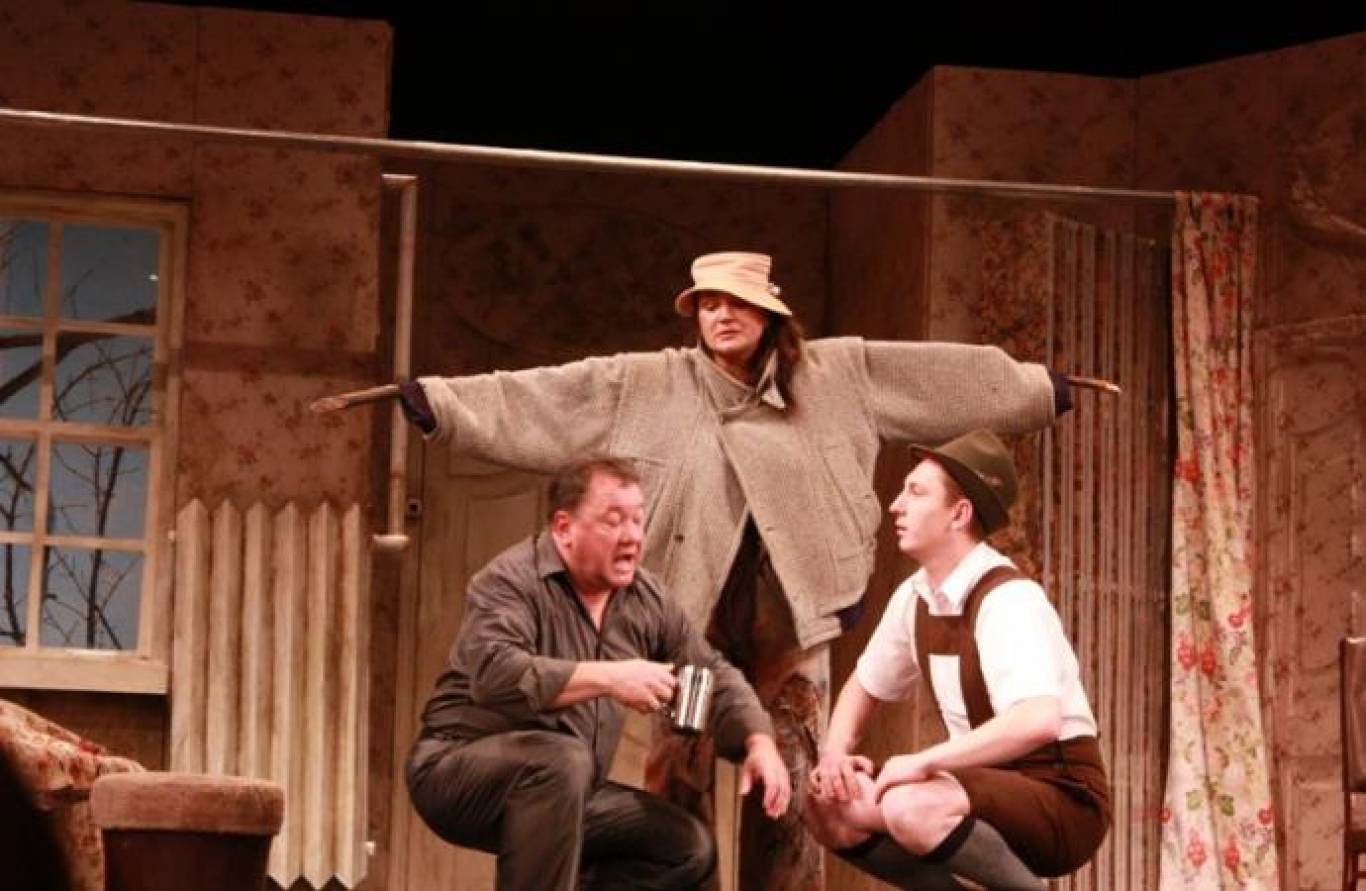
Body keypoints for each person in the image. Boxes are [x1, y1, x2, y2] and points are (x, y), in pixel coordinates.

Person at [399, 250, 1075, 888]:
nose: (722, 315)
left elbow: (932, 378)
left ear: (769, 312)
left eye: (738, 302)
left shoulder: (835, 376)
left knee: (789, 774)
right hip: (694, 611)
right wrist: (447, 406)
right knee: (681, 761)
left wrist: (1035, 390)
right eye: (708, 304)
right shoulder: (651, 382)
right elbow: (552, 396)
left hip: (794, 614)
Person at [404, 457, 790, 891]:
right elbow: (496, 673)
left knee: (683, 847)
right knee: (563, 761)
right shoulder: (510, 581)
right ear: (564, 528)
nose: (633, 536)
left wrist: (758, 740)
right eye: (614, 521)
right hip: (454, 769)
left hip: (568, 788)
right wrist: (612, 678)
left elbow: (710, 672)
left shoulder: (645, 600)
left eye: (638, 519)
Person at [805, 430, 1110, 890]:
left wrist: (922, 763)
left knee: (909, 806)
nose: (896, 506)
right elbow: (863, 686)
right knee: (829, 810)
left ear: (959, 514)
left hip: (1061, 797)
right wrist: (834, 756)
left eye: (916, 492)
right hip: (978, 786)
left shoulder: (1008, 599)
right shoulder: (914, 597)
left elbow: (1038, 720)